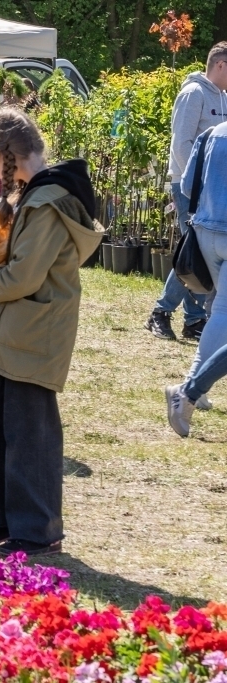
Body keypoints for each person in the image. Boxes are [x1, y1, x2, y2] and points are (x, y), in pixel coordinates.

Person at [0, 106, 103, 556]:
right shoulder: (35, 195)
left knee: (29, 434)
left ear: (6, 155)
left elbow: (24, 277)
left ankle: (37, 530)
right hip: (15, 329)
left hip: (34, 329)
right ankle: (0, 521)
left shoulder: (46, 202)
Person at [145, 42, 227, 341]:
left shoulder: (224, 97)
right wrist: (197, 188)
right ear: (221, 65)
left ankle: (193, 320)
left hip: (211, 190)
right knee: (195, 250)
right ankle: (160, 312)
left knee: (202, 253)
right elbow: (181, 144)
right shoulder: (193, 94)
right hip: (189, 187)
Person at [166, 118, 227, 436]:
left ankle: (195, 391)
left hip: (205, 231)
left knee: (220, 313)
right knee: (223, 314)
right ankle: (191, 390)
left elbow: (188, 186)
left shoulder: (212, 133)